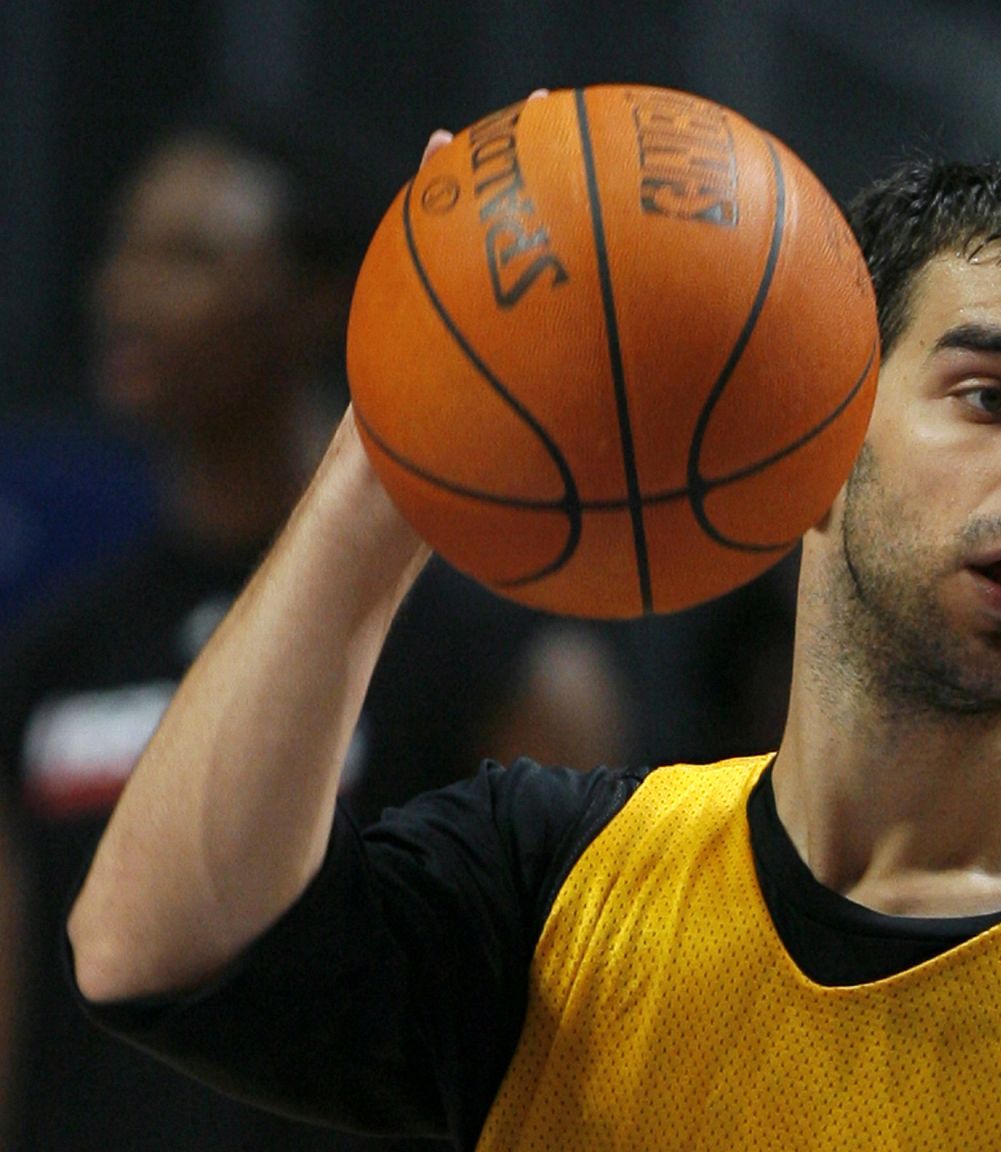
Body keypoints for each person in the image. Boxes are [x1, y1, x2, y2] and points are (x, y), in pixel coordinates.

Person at [62, 114, 1001, 1150]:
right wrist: (397, 439)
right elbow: (149, 948)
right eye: (994, 396)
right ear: (810, 435)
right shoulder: (558, 883)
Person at [0, 113, 627, 1151]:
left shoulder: (495, 651)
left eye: (191, 255)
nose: (126, 290)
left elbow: (566, 1038)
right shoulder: (53, 652)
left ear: (319, 299)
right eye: (127, 250)